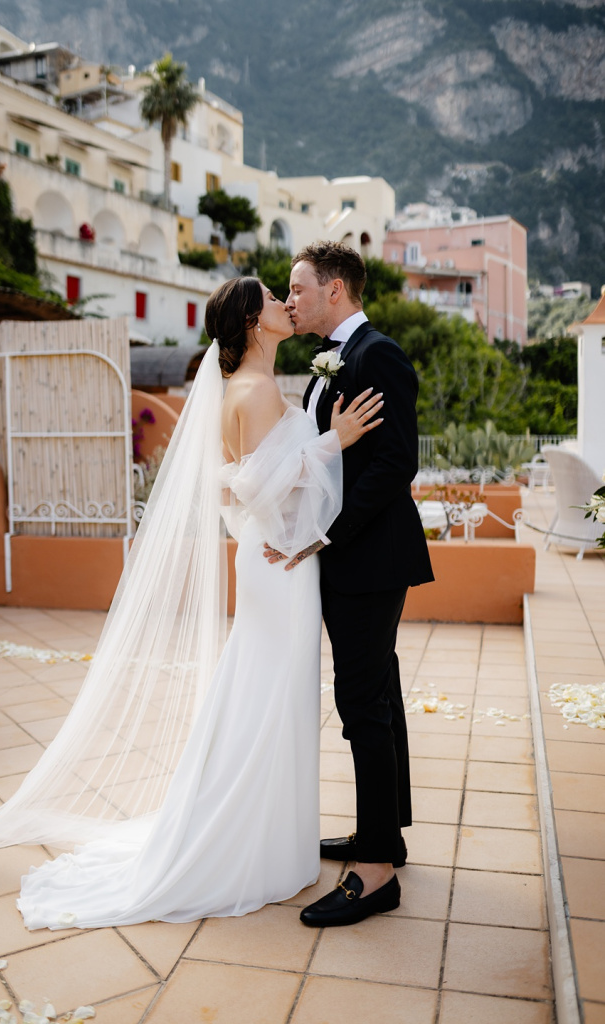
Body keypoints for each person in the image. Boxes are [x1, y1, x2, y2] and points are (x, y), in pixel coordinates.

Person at [0, 276, 382, 927]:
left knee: (269, 693)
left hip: (278, 560)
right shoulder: (251, 391)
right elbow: (254, 485)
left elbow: (239, 483)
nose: (286, 304)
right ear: (253, 322)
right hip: (277, 566)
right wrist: (332, 441)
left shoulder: (251, 387)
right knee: (267, 694)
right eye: (273, 300)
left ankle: (271, 836)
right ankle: (245, 844)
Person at [267, 241, 434, 928]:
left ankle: (374, 874)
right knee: (376, 694)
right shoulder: (331, 362)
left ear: (334, 290)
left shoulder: (375, 353)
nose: (289, 299)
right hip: (353, 557)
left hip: (366, 559)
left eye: (298, 288)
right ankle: (382, 833)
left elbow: (395, 462)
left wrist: (327, 533)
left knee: (360, 701)